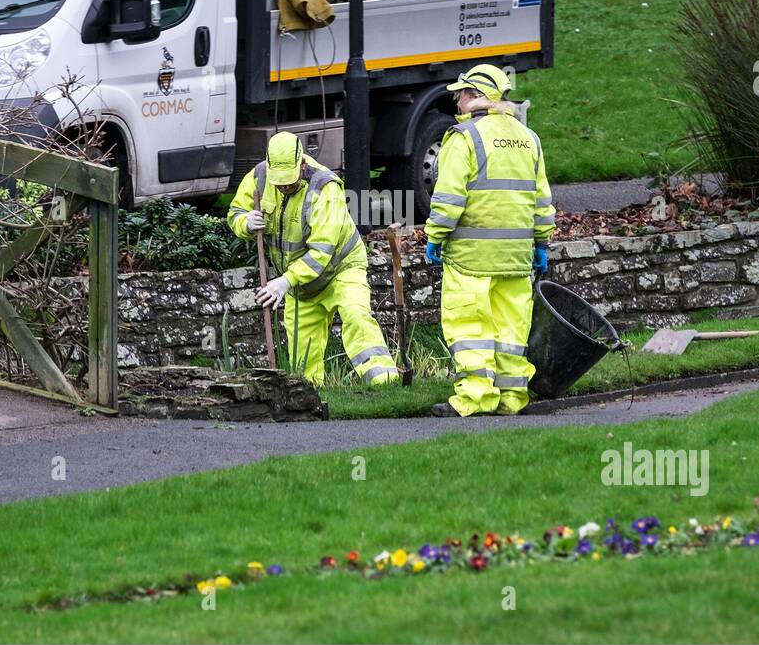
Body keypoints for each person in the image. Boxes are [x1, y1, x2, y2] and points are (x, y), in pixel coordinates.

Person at [423, 64, 555, 416]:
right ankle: (512, 398)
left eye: (462, 93)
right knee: (511, 330)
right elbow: (541, 200)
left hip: (471, 257)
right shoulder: (529, 138)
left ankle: (474, 398)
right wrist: (541, 244)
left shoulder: (464, 138)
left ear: (479, 96)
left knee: (470, 326)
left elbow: (449, 199)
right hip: (516, 258)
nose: (457, 99)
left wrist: (434, 238)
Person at [227, 131, 400, 387]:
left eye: (290, 180)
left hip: (341, 269)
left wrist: (285, 282)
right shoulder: (259, 177)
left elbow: (321, 253)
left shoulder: (325, 188)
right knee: (303, 363)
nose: (285, 186)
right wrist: (245, 223)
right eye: (279, 181)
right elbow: (235, 212)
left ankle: (385, 384)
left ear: (303, 164)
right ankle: (310, 399)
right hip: (301, 286)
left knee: (356, 316)